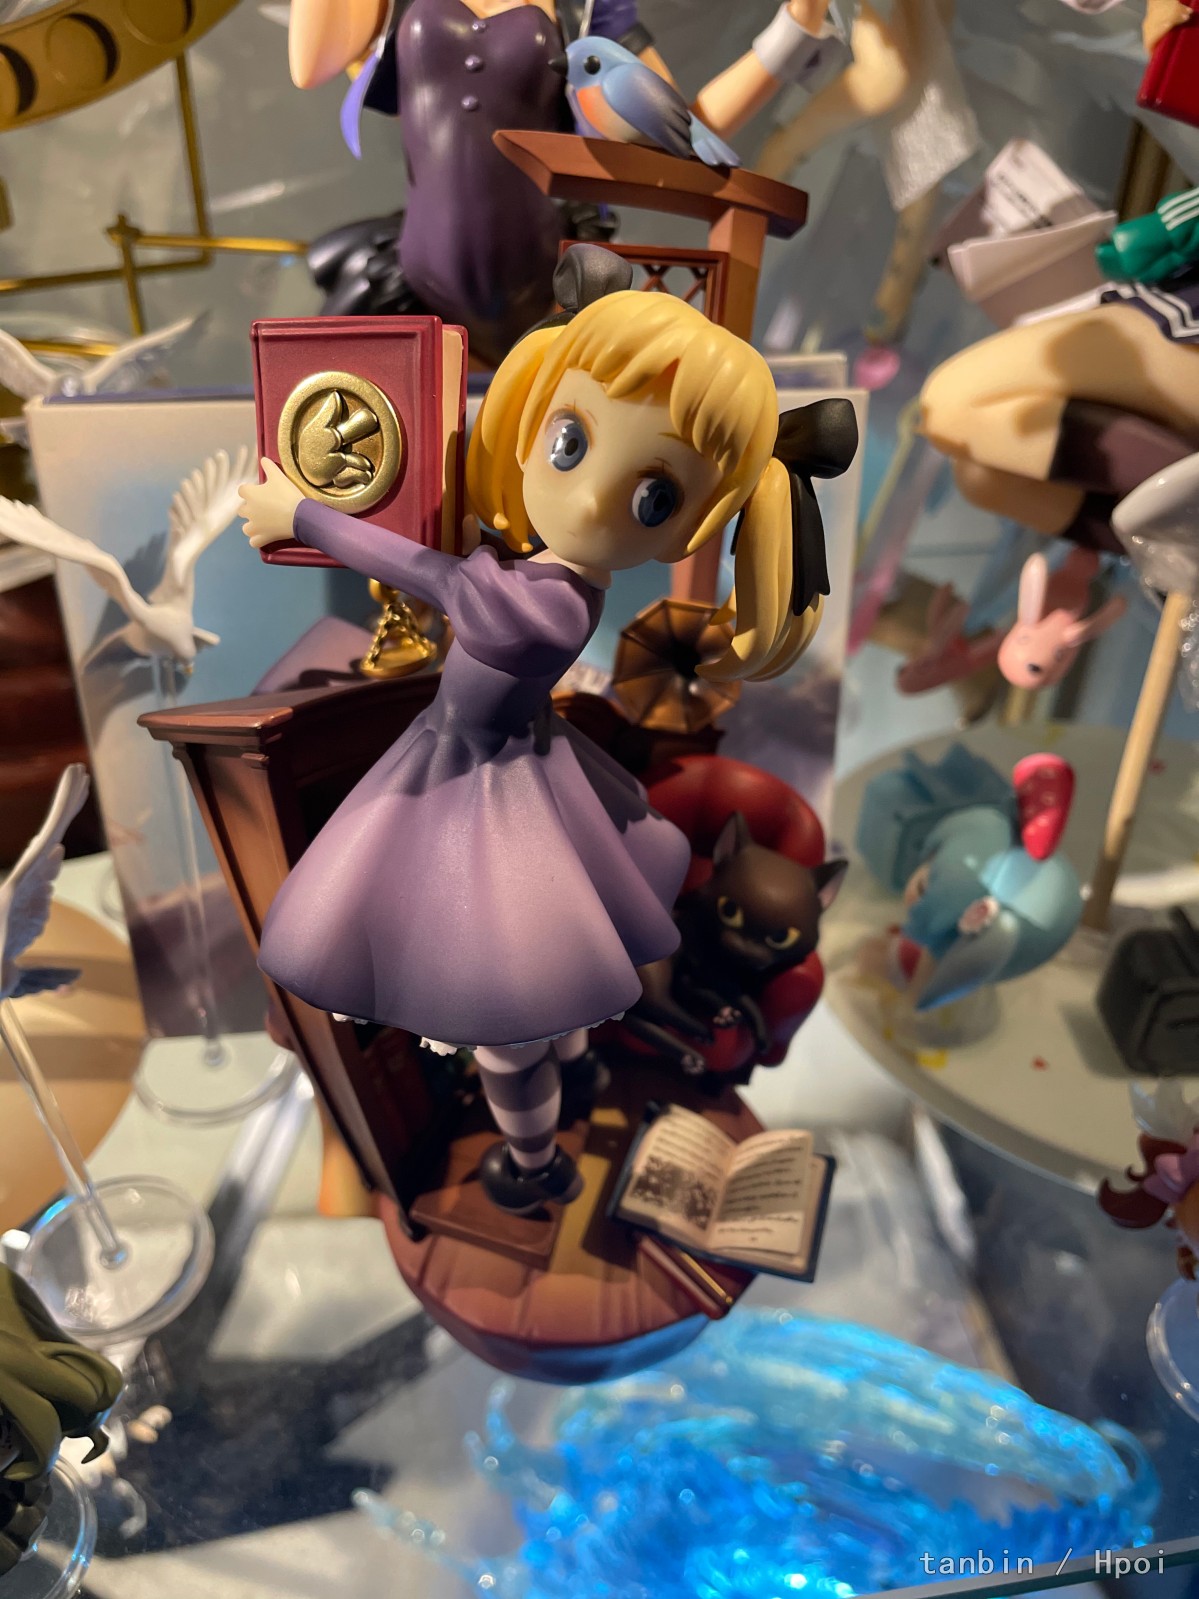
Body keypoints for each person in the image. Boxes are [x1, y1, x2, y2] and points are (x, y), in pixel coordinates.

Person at [238, 258, 842, 1214]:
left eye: (653, 498)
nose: (595, 500)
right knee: (538, 985)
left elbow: (425, 569)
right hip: (506, 761)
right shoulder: (554, 580)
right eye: (571, 441)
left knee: (504, 1017)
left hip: (479, 783)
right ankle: (565, 1065)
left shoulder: (543, 605)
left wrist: (302, 513)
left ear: (688, 531)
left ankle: (532, 1162)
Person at [289, 0, 840, 366]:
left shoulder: (586, 6)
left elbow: (677, 125)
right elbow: (311, 64)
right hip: (418, 285)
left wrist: (795, 30)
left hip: (546, 293)